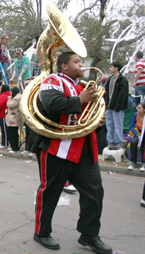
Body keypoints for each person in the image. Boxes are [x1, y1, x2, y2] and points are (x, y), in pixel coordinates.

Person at [32, 52, 112, 253]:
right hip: (57, 149)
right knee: (49, 192)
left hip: (85, 150)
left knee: (94, 193)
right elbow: (51, 104)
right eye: (76, 62)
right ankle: (41, 232)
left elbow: (90, 116)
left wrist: (98, 122)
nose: (81, 65)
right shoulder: (53, 80)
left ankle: (89, 234)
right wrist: (80, 99)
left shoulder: (85, 86)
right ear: (64, 66)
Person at [104, 61, 129, 150]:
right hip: (109, 106)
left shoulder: (122, 80)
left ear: (116, 68)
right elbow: (106, 93)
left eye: (111, 67)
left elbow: (123, 94)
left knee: (118, 125)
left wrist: (118, 106)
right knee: (109, 124)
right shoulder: (110, 79)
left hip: (118, 107)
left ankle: (119, 142)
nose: (110, 68)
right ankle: (110, 142)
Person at [127, 102, 145, 171]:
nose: (137, 109)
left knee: (144, 143)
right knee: (133, 142)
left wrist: (143, 135)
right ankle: (133, 161)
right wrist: (137, 134)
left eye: (139, 108)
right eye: (137, 107)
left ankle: (144, 162)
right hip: (139, 133)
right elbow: (131, 127)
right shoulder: (136, 114)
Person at [6, 86, 23, 153]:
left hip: (14, 118)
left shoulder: (17, 98)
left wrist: (9, 99)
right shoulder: (16, 97)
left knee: (13, 134)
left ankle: (15, 148)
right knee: (11, 133)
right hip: (12, 118)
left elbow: (10, 105)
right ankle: (13, 146)